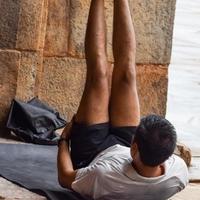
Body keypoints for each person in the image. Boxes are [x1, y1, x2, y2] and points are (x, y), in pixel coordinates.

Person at [57, 0, 189, 199]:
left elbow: (65, 177)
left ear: (136, 146)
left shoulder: (103, 176)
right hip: (127, 150)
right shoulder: (178, 174)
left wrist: (63, 140)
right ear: (168, 156)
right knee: (127, 72)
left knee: (98, 74)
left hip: (94, 154)